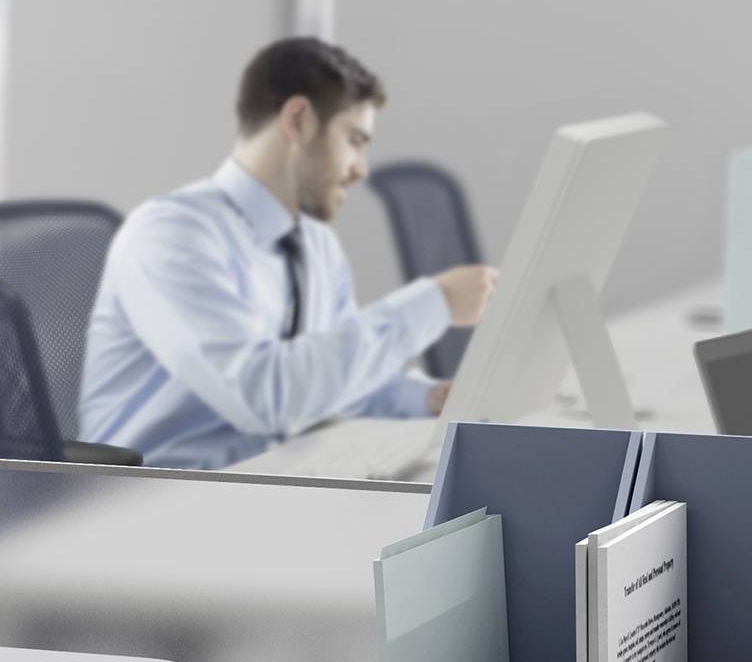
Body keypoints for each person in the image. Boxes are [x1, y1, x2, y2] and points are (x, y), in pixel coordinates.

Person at [78, 37, 499, 470]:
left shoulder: (316, 245)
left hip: (267, 479)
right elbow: (266, 397)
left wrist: (425, 398)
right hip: (155, 500)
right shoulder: (171, 235)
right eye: (354, 140)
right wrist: (433, 303)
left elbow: (328, 380)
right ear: (299, 121)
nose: (361, 167)